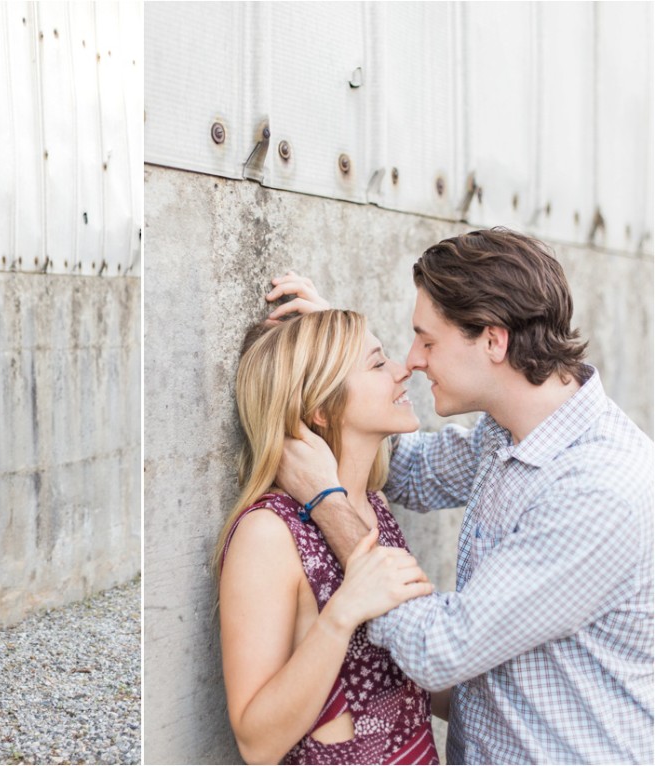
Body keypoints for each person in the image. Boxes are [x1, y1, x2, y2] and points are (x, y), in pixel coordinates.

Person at [269, 228, 654, 764]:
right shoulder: (508, 432)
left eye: (427, 341)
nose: (414, 359)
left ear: (493, 341)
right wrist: (340, 358)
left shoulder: (597, 490)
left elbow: (438, 651)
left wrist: (326, 503)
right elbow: (407, 470)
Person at [217, 309, 439, 764]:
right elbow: (256, 744)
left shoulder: (374, 506)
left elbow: (419, 680)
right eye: (378, 364)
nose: (402, 370)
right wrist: (341, 615)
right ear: (320, 407)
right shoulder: (269, 533)